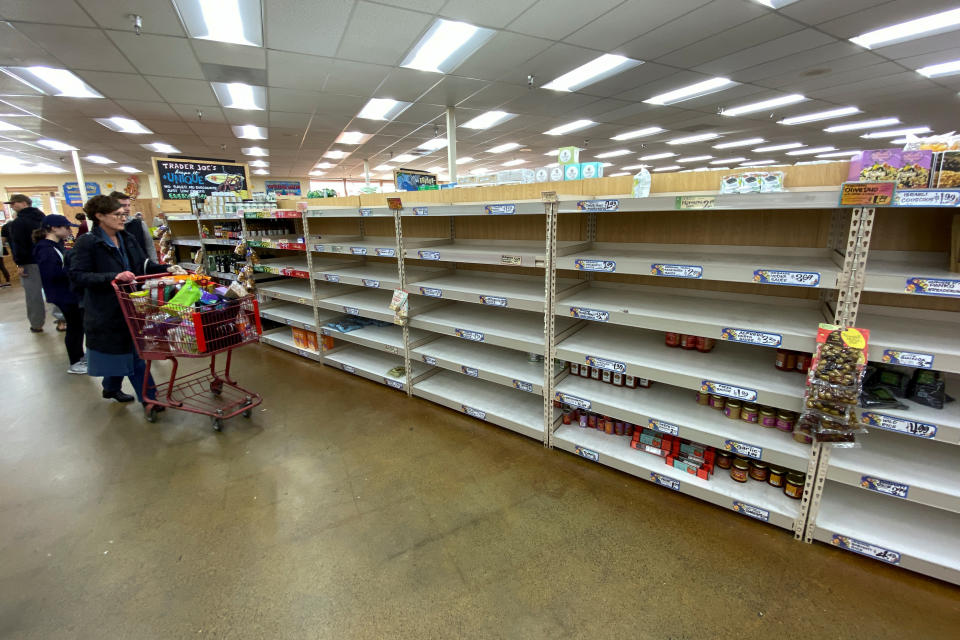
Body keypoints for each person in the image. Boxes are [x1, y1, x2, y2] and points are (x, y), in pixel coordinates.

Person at [70, 195, 167, 406]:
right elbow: (77, 274)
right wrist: (112, 277)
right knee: (133, 353)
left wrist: (167, 269)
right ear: (99, 216)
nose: (123, 218)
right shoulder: (88, 242)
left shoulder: (127, 238)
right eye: (118, 214)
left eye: (124, 214)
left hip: (131, 304)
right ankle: (150, 399)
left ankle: (111, 387)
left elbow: (143, 265)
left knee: (125, 351)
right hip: (106, 309)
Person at [32, 214, 86, 374]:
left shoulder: (57, 245)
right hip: (63, 294)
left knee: (78, 326)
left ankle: (79, 357)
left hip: (68, 292)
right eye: (66, 227)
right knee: (75, 327)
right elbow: (51, 274)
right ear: (53, 228)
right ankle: (75, 362)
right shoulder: (45, 248)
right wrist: (74, 270)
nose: (69, 230)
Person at [5, 194, 46, 331]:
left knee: (33, 295)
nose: (12, 206)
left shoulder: (18, 222)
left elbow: (18, 244)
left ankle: (36, 324)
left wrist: (20, 263)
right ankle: (62, 320)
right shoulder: (43, 217)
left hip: (29, 261)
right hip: (47, 259)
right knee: (54, 290)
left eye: (14, 203)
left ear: (23, 203)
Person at [114, 191, 157, 261]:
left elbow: (150, 247)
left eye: (129, 205)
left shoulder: (139, 224)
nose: (128, 209)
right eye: (123, 205)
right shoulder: (109, 228)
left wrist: (154, 264)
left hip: (141, 267)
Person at [0, 219, 12, 287]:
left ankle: (3, 283)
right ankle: (8, 281)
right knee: (2, 266)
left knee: (2, 267)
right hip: (0, 252)